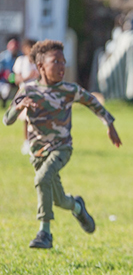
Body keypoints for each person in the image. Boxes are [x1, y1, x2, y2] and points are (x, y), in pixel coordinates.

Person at [2, 40, 122, 249]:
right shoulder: (28, 90)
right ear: (40, 67)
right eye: (55, 61)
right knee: (58, 199)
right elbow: (7, 120)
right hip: (37, 152)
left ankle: (44, 233)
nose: (61, 66)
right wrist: (18, 106)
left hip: (61, 148)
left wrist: (109, 123)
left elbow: (92, 102)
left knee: (42, 179)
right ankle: (77, 207)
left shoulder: (69, 90)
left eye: (63, 62)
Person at [13, 38, 38, 155]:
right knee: (27, 119)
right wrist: (28, 76)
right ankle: (27, 142)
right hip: (25, 93)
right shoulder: (21, 61)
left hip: (37, 93)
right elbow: (17, 79)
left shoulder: (39, 62)